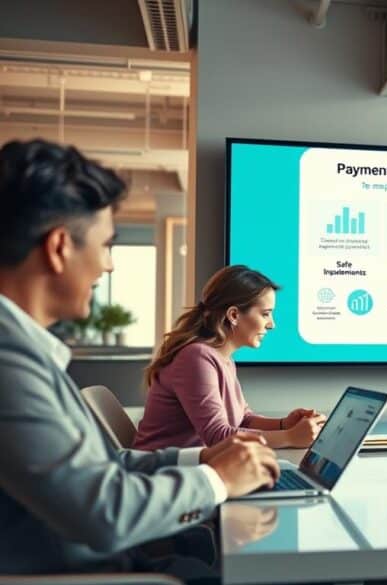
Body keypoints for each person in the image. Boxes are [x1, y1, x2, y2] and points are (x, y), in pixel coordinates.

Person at [0, 139, 279, 581]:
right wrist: (218, 481)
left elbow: (104, 468)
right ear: (58, 248)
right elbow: (103, 511)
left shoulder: (23, 350)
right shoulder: (7, 363)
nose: (108, 266)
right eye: (106, 245)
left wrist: (204, 460)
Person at [134, 265, 325, 451]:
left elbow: (243, 419)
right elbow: (217, 436)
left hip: (195, 467)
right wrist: (290, 437)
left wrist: (285, 425)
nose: (271, 324)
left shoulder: (222, 358)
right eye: (265, 314)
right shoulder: (196, 358)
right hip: (167, 473)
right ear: (233, 315)